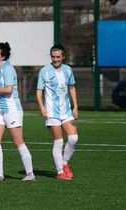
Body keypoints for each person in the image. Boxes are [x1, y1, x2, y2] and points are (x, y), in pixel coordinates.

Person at [0, 42, 35, 182]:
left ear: (3, 56)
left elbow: (8, 89)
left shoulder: (8, 69)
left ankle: (30, 174)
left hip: (11, 110)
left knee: (18, 142)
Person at [36, 44, 79, 180]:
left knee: (73, 139)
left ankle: (64, 162)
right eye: (53, 57)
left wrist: (75, 106)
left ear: (63, 57)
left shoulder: (68, 70)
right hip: (51, 112)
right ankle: (60, 171)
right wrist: (42, 107)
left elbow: (71, 88)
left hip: (66, 111)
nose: (55, 59)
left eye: (58, 57)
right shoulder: (44, 71)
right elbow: (39, 91)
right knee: (58, 141)